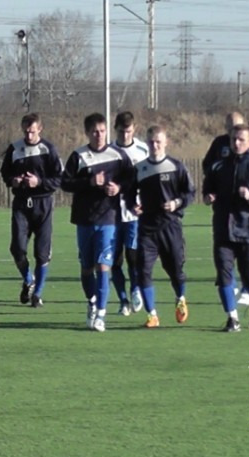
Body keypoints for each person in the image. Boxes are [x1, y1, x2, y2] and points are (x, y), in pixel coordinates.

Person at [62, 112, 135, 332]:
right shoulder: (79, 156)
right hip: (85, 219)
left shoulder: (118, 155)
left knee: (104, 265)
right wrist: (90, 182)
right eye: (95, 131)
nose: (99, 135)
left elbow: (132, 177)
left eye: (102, 131)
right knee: (87, 268)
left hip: (109, 218)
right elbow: (65, 183)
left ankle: (101, 314)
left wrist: (119, 187)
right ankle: (92, 303)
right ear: (87, 133)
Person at [203, 124, 249, 332]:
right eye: (233, 139)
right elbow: (208, 188)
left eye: (241, 140)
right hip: (223, 230)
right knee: (224, 275)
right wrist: (208, 197)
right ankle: (232, 319)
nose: (236, 143)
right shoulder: (218, 167)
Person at [125, 125, 195, 328]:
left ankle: (180, 298)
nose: (154, 146)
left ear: (165, 143)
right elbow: (129, 194)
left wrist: (176, 203)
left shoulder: (176, 166)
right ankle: (152, 315)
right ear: (147, 143)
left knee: (175, 269)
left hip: (170, 226)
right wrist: (132, 205)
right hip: (147, 228)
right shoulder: (139, 169)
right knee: (143, 270)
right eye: (151, 142)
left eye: (158, 142)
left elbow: (190, 193)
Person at [1, 113, 63, 308]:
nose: (29, 135)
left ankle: (37, 294)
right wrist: (13, 181)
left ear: (40, 129)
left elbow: (59, 179)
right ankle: (29, 279)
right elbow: (5, 173)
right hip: (21, 204)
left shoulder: (48, 149)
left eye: (32, 131)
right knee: (17, 248)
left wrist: (39, 182)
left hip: (43, 204)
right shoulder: (14, 149)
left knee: (42, 253)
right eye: (26, 131)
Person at [110, 111, 150, 316]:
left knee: (133, 257)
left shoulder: (143, 150)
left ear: (134, 129)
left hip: (134, 214)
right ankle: (123, 301)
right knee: (114, 260)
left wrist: (146, 203)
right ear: (115, 129)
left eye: (128, 131)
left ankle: (135, 289)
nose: (125, 135)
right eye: (121, 132)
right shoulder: (109, 151)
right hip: (112, 214)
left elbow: (150, 178)